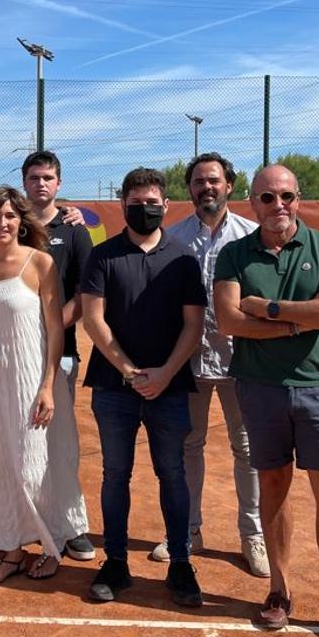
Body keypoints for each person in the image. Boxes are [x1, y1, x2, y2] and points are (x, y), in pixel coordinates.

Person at [213, 164, 319, 637]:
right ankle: (278, 589)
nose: (278, 206)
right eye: (267, 198)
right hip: (259, 387)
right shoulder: (235, 253)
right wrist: (305, 316)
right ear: (252, 203)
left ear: (298, 199)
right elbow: (231, 320)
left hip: (318, 386)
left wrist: (272, 309)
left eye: (286, 197)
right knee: (274, 484)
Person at [80, 167, 205, 607]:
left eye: (153, 204)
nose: (145, 211)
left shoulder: (184, 259)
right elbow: (93, 319)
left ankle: (181, 563)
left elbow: (194, 325)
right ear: (123, 206)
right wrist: (131, 372)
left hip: (169, 389)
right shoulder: (104, 256)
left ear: (166, 206)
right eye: (136, 205)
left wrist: (165, 373)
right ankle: (116, 562)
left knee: (172, 473)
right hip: (114, 388)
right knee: (115, 474)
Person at [150, 152, 268, 579]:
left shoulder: (251, 234)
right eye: (199, 182)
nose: (207, 188)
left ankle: (252, 535)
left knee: (249, 450)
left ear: (230, 186)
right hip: (190, 362)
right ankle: (187, 532)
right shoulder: (174, 238)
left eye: (214, 181)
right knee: (187, 449)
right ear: (190, 189)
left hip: (245, 362)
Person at [0, 185, 79, 585]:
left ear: (21, 221)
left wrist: (48, 385)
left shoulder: (41, 263)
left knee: (35, 467)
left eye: (10, 215)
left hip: (30, 378)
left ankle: (52, 547)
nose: (3, 223)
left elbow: (55, 331)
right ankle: (13, 551)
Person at [21, 150, 93, 562]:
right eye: (34, 177)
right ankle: (28, 519)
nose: (41, 184)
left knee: (60, 442)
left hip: (59, 355)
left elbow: (83, 297)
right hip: (15, 355)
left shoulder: (74, 230)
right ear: (25, 182)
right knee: (22, 442)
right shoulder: (12, 226)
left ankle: (70, 525)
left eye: (48, 177)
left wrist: (47, 333)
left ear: (59, 184)